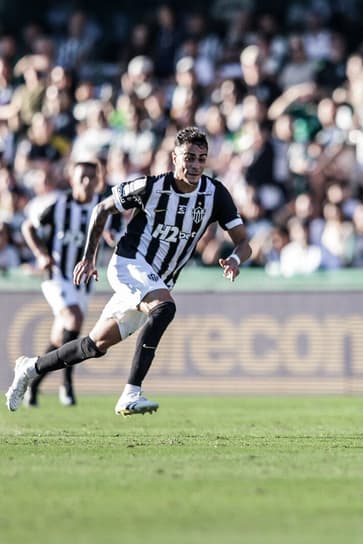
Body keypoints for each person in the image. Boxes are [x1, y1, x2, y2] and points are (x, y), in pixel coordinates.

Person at [5, 127, 251, 415]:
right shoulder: (150, 186)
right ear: (175, 158)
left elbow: (244, 242)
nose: (195, 165)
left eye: (201, 158)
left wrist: (235, 259)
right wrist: (89, 258)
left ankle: (30, 367)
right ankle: (131, 393)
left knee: (94, 345)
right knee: (164, 309)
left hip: (157, 280)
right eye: (189, 157)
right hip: (129, 263)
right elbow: (102, 209)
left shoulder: (215, 194)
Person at [19, 155, 116, 406]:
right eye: (82, 177)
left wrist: (113, 239)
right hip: (58, 277)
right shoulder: (58, 205)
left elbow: (116, 234)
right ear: (72, 179)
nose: (87, 182)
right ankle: (67, 385)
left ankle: (32, 381)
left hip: (84, 282)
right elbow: (28, 227)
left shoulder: (105, 207)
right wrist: (42, 255)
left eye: (92, 177)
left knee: (59, 339)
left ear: (98, 180)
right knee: (74, 319)